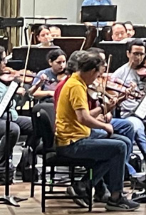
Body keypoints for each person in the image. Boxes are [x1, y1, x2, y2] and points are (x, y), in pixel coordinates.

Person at [53, 49, 140, 211]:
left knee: (124, 142)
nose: (97, 78)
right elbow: (83, 118)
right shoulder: (76, 86)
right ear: (92, 71)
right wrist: (104, 126)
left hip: (79, 135)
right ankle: (115, 197)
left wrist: (105, 107)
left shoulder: (76, 82)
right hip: (72, 142)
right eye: (97, 74)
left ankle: (86, 184)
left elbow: (84, 115)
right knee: (119, 147)